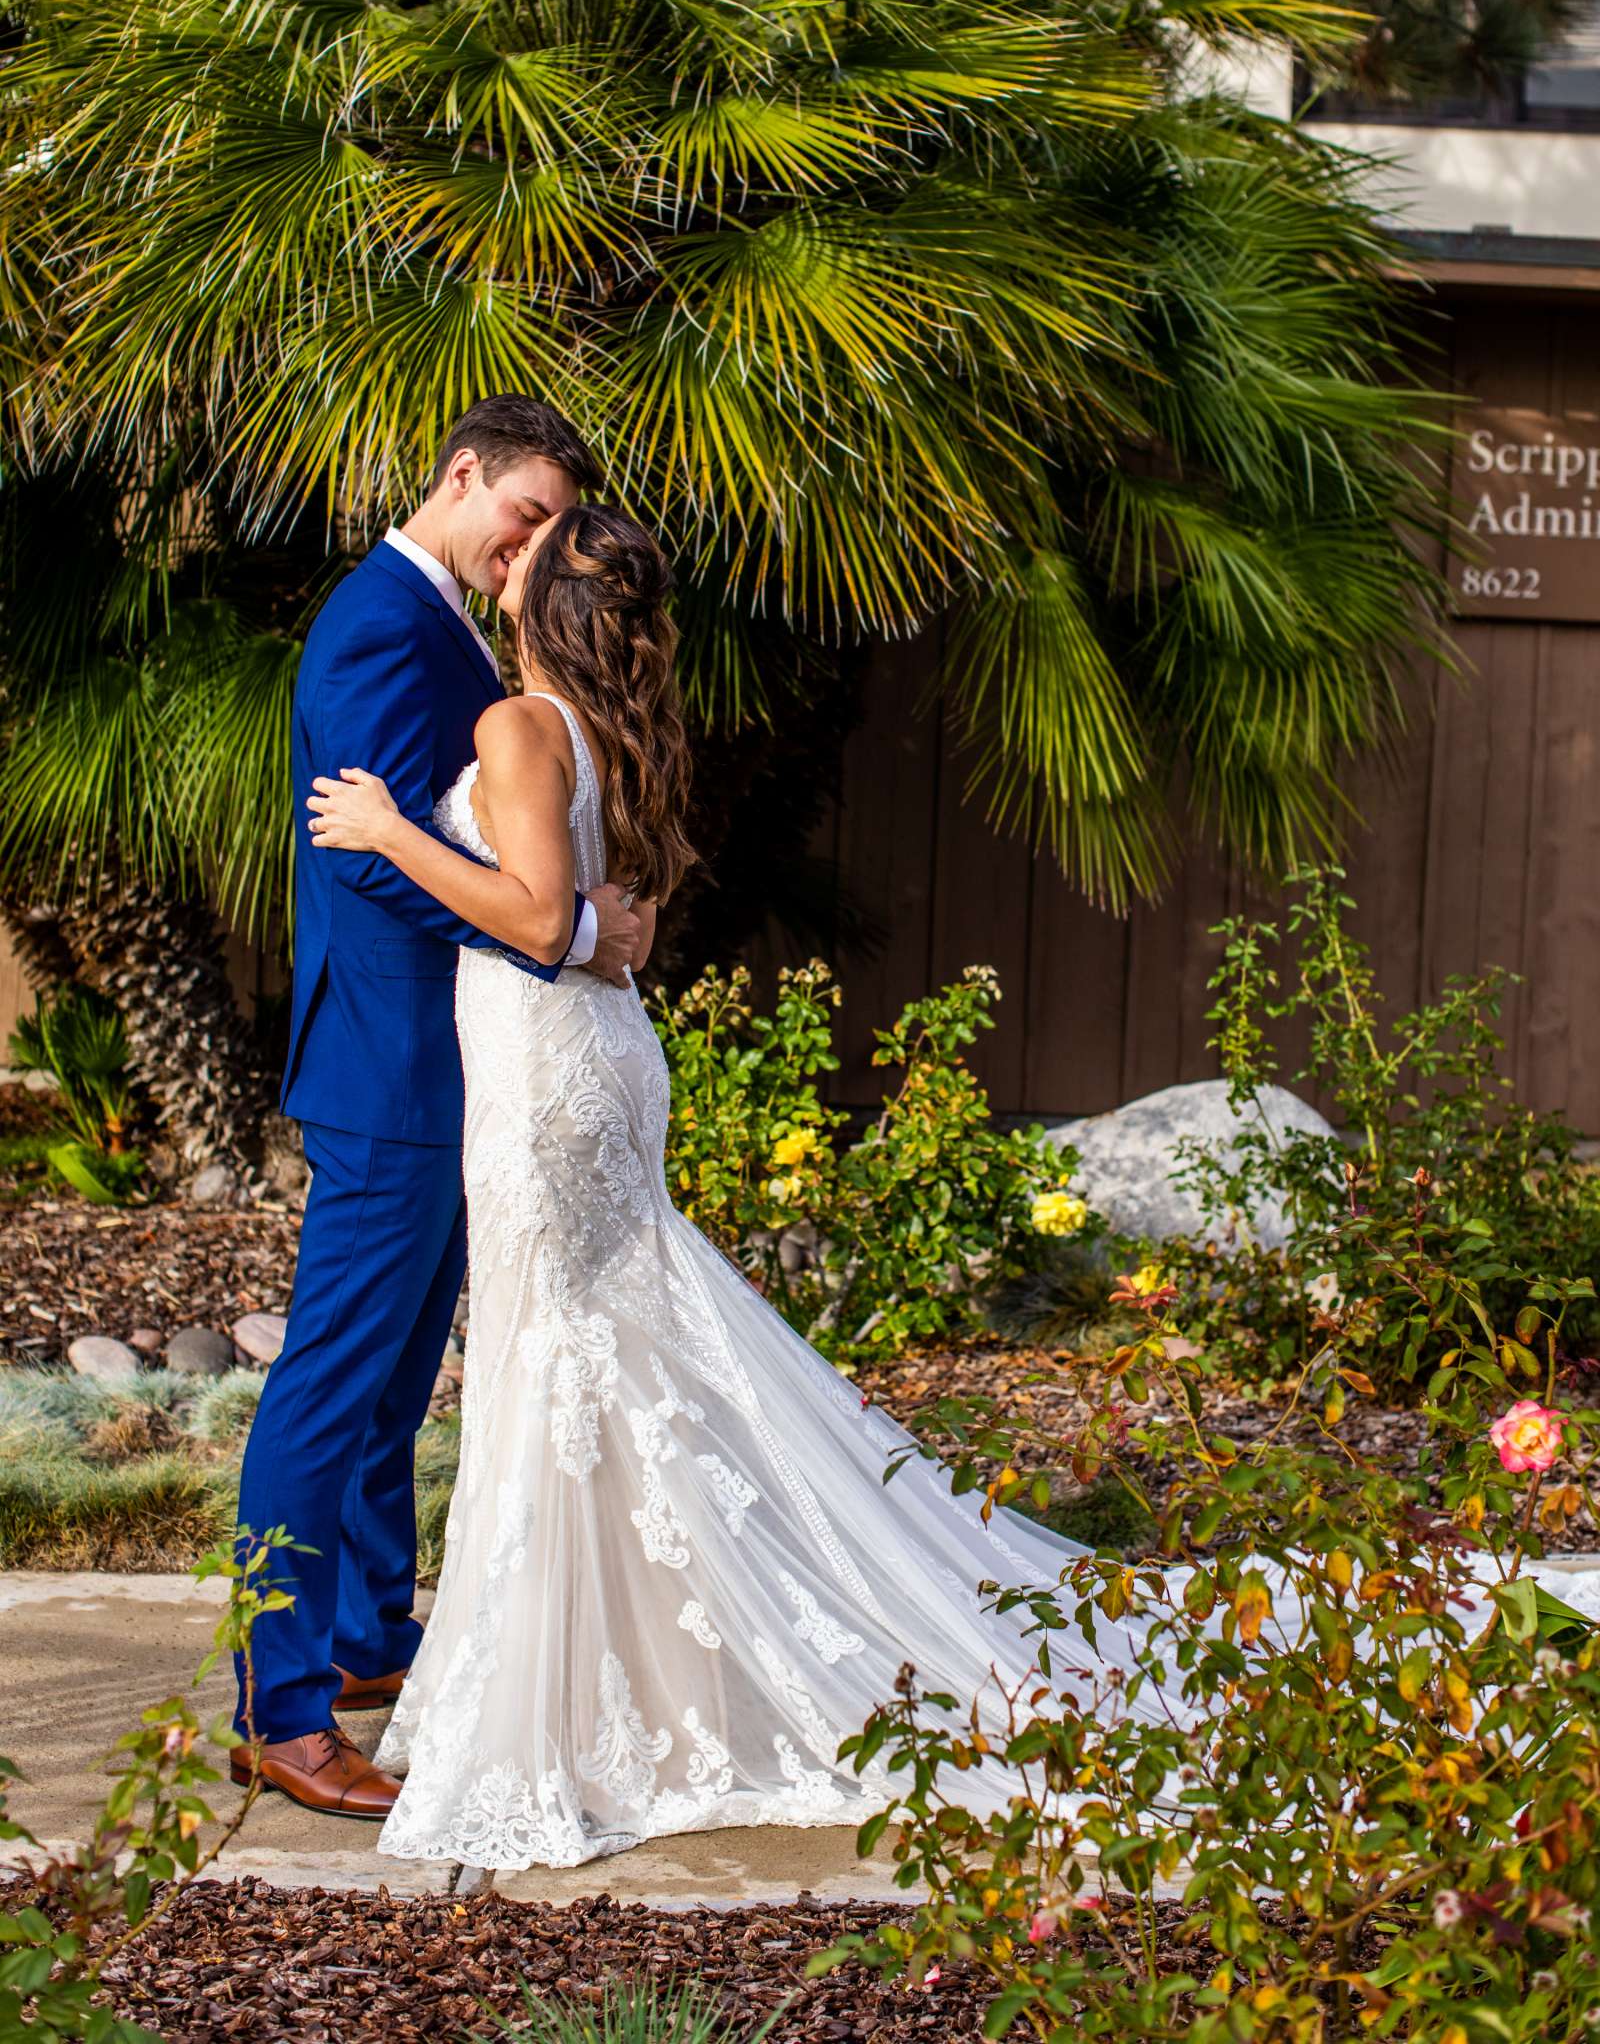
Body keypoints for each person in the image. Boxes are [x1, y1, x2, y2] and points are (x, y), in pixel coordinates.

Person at [303, 502, 1124, 1871]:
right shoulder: (616, 734)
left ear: (542, 602)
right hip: (594, 1062)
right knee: (607, 1364)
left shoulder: (519, 730)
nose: (501, 563)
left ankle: (583, 1696)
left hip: (547, 1078)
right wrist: (589, 933)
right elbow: (609, 929)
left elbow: (534, 919)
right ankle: (633, 1665)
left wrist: (389, 831)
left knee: (559, 1364)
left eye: (527, 550)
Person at [230, 399, 641, 1820]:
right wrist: (571, 927)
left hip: (458, 1061)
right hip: (394, 1066)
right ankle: (277, 1709)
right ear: (460, 474)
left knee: (396, 1386)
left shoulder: (449, 624)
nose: (532, 547)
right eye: (522, 512)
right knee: (335, 1384)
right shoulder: (374, 623)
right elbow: (372, 858)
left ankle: (366, 1642)